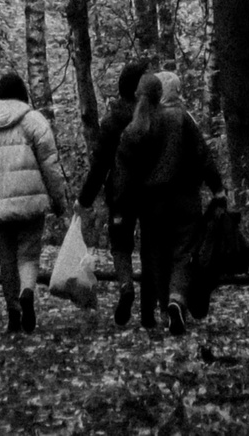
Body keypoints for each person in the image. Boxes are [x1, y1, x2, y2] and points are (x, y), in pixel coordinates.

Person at [118, 71, 223, 335]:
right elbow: (203, 156)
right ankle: (177, 300)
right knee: (183, 253)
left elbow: (124, 173)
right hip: (185, 200)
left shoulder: (133, 130)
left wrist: (122, 207)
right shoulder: (180, 119)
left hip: (151, 206)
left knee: (157, 257)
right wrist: (218, 189)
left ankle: (166, 309)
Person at [0, 71, 67, 335]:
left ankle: (13, 312)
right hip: (30, 203)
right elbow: (50, 166)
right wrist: (59, 200)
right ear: (23, 93)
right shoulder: (34, 121)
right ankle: (27, 293)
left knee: (6, 260)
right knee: (28, 255)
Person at [78, 60, 149, 325]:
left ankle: (126, 286)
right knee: (151, 245)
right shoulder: (156, 117)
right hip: (152, 192)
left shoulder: (111, 121)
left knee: (120, 244)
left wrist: (85, 198)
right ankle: (152, 302)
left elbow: (100, 165)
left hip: (120, 192)